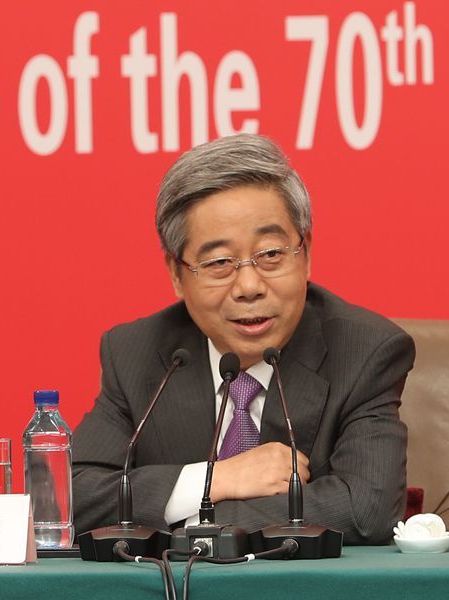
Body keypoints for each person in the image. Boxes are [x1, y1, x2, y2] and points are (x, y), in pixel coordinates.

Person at [72, 134, 414, 544]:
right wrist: (215, 479)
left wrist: (194, 523)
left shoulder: (364, 351)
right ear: (177, 274)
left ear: (306, 254)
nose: (249, 286)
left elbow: (367, 509)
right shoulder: (137, 353)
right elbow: (71, 498)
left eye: (270, 254)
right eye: (219, 262)